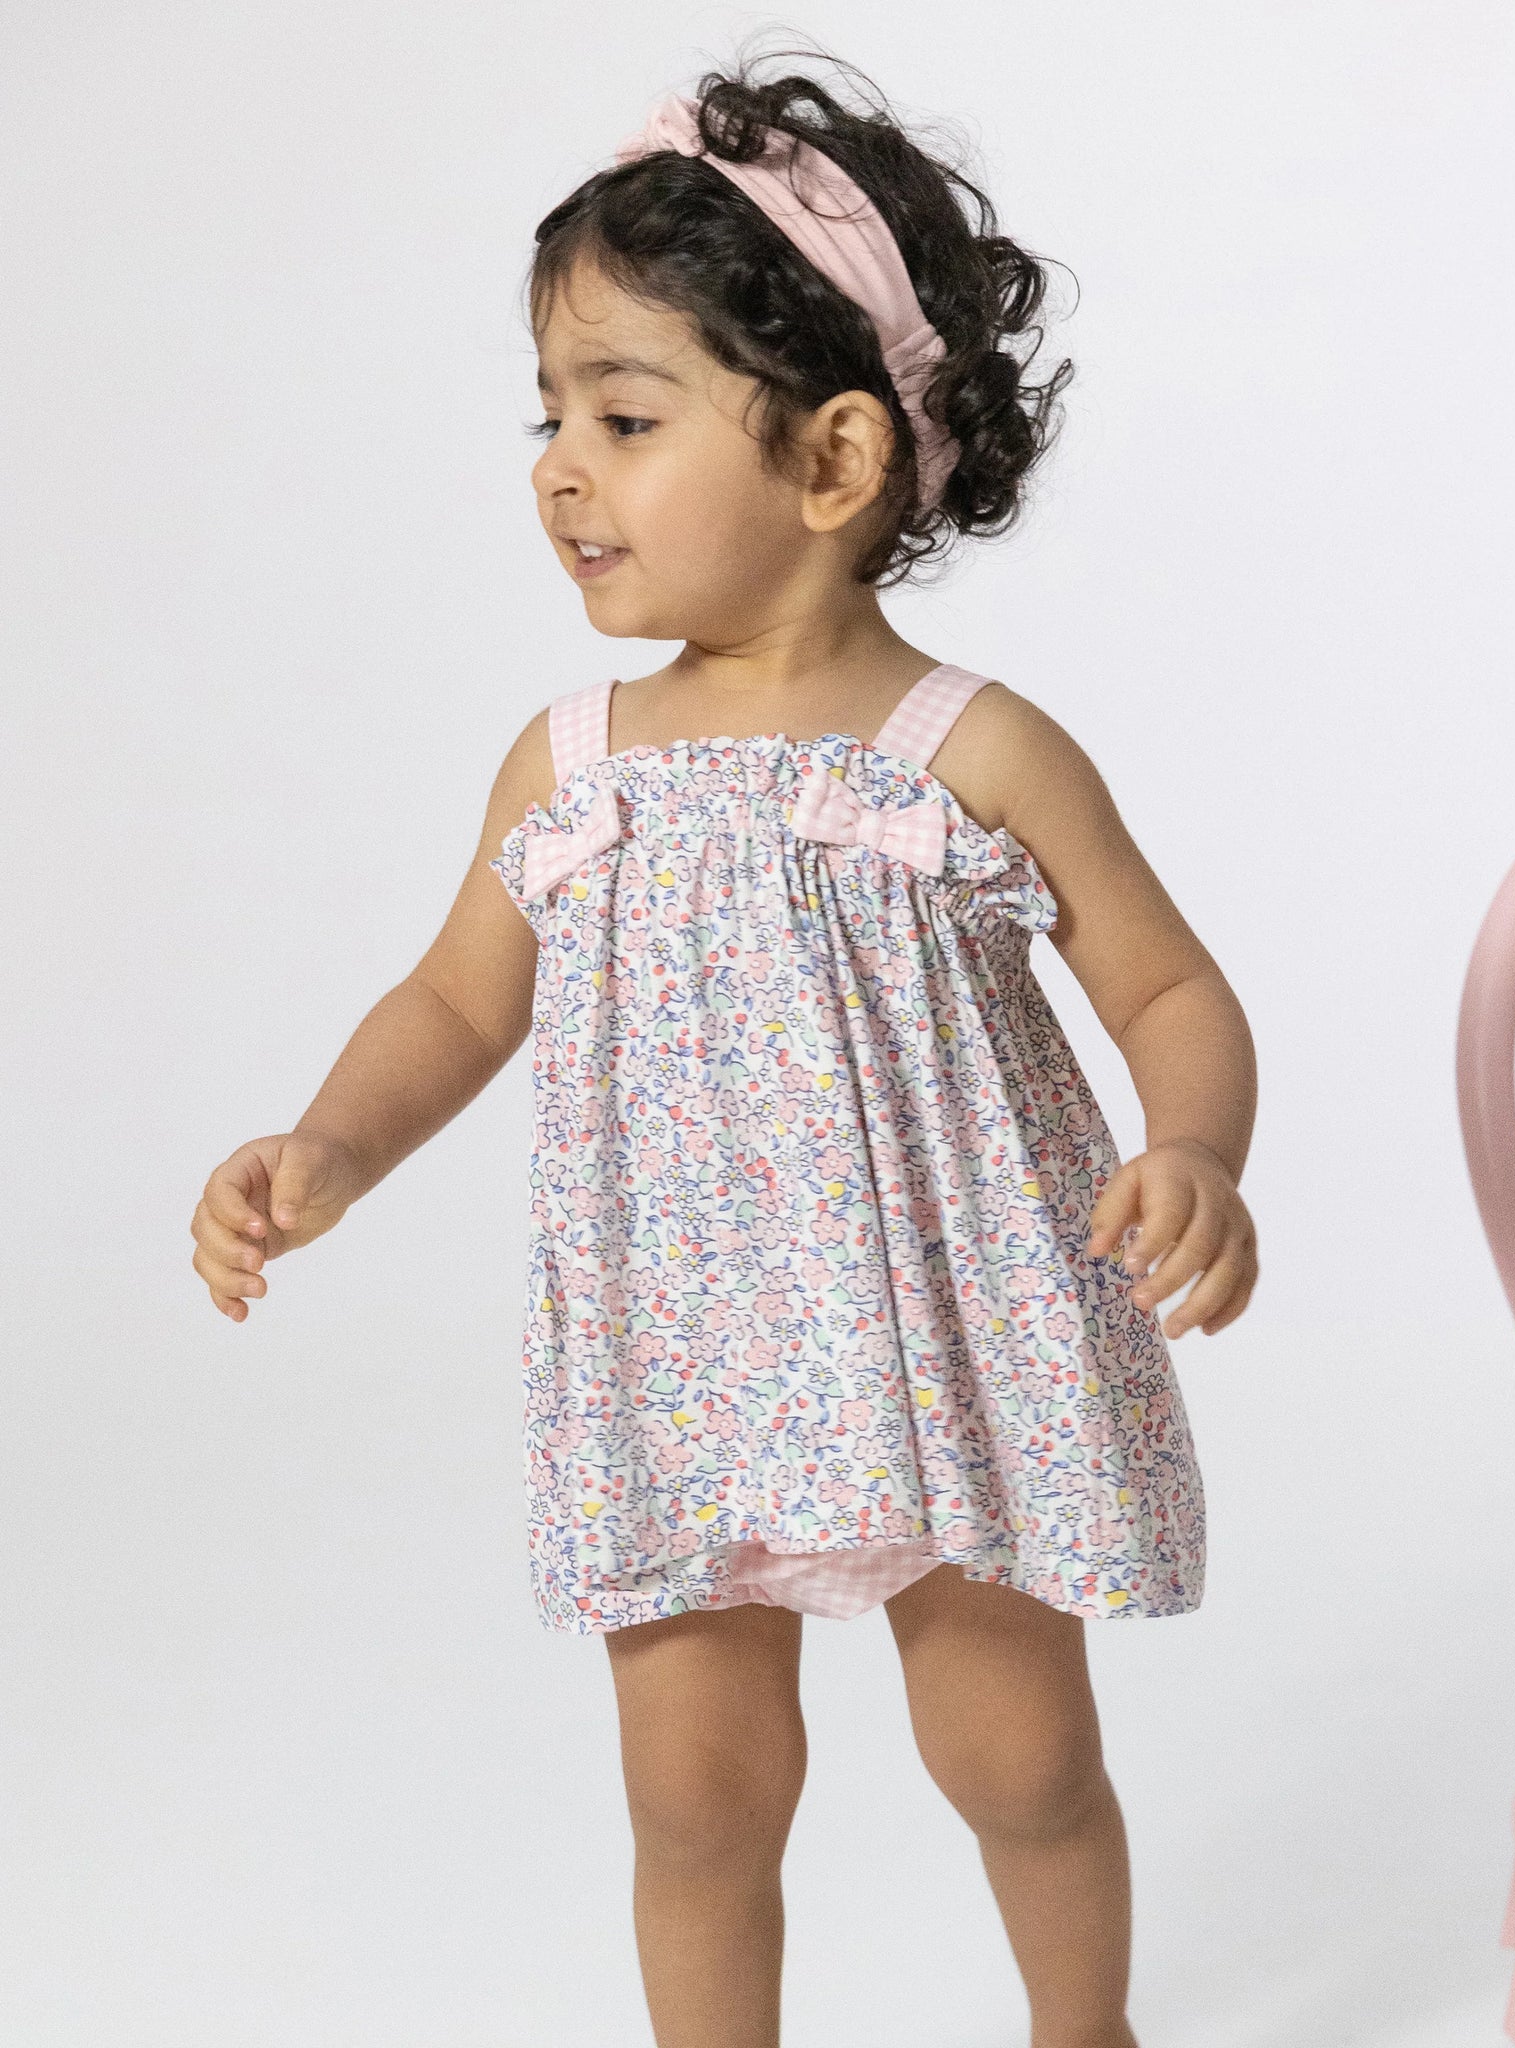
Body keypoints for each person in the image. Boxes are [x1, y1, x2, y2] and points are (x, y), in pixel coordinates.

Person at [188, 56, 1258, 2048]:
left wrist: (1193, 1148)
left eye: (623, 416)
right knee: (695, 1796)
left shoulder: (970, 753)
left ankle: (1084, 2031)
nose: (557, 469)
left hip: (956, 1332)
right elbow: (455, 1001)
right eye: (548, 415)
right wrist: (328, 1144)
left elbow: (1170, 991)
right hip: (680, 1349)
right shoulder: (573, 767)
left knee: (1019, 1755)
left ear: (834, 458)